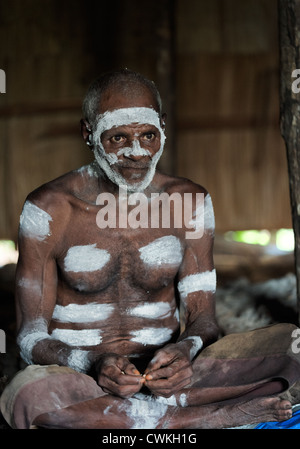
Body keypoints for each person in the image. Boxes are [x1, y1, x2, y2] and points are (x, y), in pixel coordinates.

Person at [1, 69, 300, 429]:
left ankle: (143, 418)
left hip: (171, 383)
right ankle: (203, 419)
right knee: (26, 394)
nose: (136, 152)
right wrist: (92, 363)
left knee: (290, 347)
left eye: (148, 135)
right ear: (88, 133)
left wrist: (185, 351)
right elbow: (30, 335)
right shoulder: (49, 209)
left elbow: (204, 320)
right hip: (84, 380)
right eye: (117, 138)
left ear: (163, 127)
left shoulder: (189, 202)